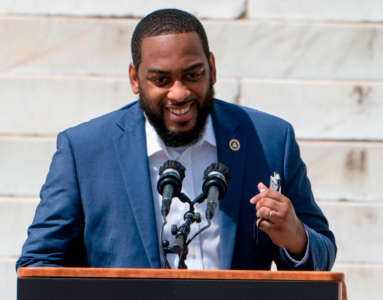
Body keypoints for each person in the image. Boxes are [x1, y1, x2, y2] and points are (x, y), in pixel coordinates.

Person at [16, 9, 336, 270]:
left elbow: (322, 255)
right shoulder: (84, 150)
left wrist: (295, 237)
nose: (179, 92)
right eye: (161, 80)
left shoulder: (269, 140)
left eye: (193, 75)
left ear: (211, 68)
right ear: (134, 79)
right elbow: (38, 265)